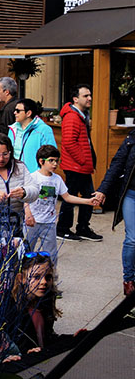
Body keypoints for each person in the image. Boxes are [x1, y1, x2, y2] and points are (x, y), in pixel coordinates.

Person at [24, 145, 97, 278]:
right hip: (32, 223)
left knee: (51, 255)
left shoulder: (57, 179)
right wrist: (28, 214)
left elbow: (67, 197)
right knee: (26, 252)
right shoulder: (32, 178)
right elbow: (25, 199)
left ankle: (50, 283)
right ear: (41, 161)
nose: (55, 164)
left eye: (57, 161)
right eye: (51, 160)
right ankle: (24, 281)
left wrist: (87, 201)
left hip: (49, 223)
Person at [93, 127, 135, 296]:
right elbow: (117, 164)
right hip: (131, 194)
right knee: (132, 239)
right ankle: (129, 281)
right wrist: (103, 190)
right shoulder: (132, 138)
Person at [58, 84, 101, 242]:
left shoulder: (81, 115)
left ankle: (82, 227)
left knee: (88, 196)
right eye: (85, 96)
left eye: (90, 95)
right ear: (75, 99)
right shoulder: (72, 117)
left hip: (81, 166)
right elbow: (69, 142)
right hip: (75, 166)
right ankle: (63, 228)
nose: (89, 98)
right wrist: (83, 160)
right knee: (71, 198)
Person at [10, 253, 59, 354]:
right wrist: (27, 352)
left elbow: (48, 338)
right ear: (21, 279)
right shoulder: (12, 310)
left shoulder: (44, 303)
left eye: (48, 277)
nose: (43, 282)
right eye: (36, 277)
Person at [8, 98, 56, 174]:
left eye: (18, 111)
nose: (14, 113)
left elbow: (51, 155)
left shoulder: (44, 130)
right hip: (14, 174)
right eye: (14, 110)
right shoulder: (12, 129)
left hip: (34, 177)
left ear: (28, 113)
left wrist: (41, 174)